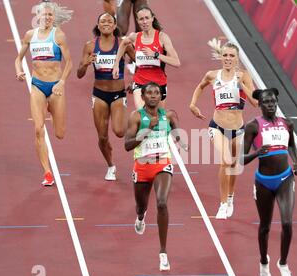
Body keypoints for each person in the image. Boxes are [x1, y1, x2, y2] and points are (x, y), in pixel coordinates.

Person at [241, 87, 297, 276]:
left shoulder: (287, 124)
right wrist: (257, 153)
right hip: (264, 181)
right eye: (267, 102)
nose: (271, 105)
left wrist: (296, 162)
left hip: (285, 179)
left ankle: (283, 264)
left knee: (287, 223)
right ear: (260, 104)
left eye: (273, 102)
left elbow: (292, 145)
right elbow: (240, 159)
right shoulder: (253, 126)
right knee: (265, 226)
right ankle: (264, 263)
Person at [189, 42, 257, 219]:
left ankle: (230, 197)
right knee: (225, 161)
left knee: (234, 165)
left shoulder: (244, 76)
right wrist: (193, 104)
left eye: (231, 56)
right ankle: (222, 204)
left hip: (238, 129)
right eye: (225, 55)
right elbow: (200, 86)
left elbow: (255, 103)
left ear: (237, 59)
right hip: (217, 127)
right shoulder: (212, 75)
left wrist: (242, 86)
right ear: (221, 57)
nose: (227, 59)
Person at [125, 82, 186, 271]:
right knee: (141, 206)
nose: (153, 96)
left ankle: (163, 252)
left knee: (161, 203)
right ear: (142, 97)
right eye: (149, 93)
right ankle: (140, 217)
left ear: (161, 97)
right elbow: (127, 145)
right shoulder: (136, 117)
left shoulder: (168, 115)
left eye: (156, 93)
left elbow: (176, 131)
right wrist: (147, 131)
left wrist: (181, 141)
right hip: (142, 166)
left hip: (162, 164)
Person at [14, 1, 72, 186]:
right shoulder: (30, 35)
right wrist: (19, 71)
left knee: (60, 134)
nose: (46, 18)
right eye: (43, 15)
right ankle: (47, 172)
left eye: (50, 15)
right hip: (37, 85)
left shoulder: (59, 36)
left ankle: (52, 109)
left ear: (53, 17)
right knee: (38, 129)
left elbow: (69, 63)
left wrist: (62, 83)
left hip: (55, 87)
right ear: (37, 16)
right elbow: (18, 59)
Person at [77, 12, 134, 180]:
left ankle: (134, 120)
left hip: (118, 94)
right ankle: (111, 166)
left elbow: (140, 62)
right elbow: (79, 74)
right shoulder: (89, 46)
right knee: (102, 137)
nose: (107, 23)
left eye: (110, 21)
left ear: (115, 26)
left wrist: (137, 81)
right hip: (99, 95)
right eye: (103, 21)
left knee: (119, 131)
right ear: (98, 25)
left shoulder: (123, 44)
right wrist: (86, 64)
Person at [112, 5, 180, 109]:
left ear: (152, 18)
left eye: (147, 18)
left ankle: (162, 125)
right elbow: (123, 44)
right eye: (141, 19)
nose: (144, 22)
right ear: (137, 21)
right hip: (140, 82)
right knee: (142, 116)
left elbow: (176, 62)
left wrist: (156, 55)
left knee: (160, 119)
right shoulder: (135, 37)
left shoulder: (162, 37)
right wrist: (116, 64)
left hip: (159, 83)